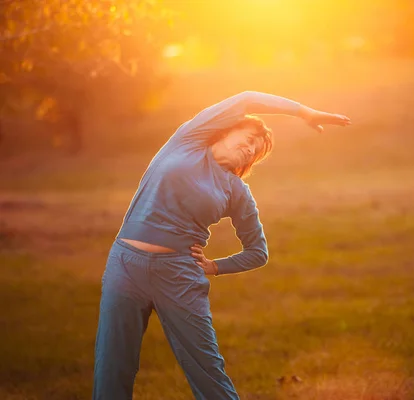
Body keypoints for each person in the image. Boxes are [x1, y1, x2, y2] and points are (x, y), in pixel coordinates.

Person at [92, 91, 351, 399]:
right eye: (250, 136)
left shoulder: (236, 190)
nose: (251, 146)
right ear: (226, 130)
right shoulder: (186, 141)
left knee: (207, 372)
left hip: (178, 276)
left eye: (257, 149)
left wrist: (215, 266)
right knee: (113, 365)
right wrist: (302, 112)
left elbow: (258, 252)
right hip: (125, 266)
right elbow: (248, 97)